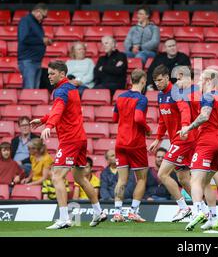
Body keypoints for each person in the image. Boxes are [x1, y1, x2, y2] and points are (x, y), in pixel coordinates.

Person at [30, 60, 106, 229]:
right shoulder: (71, 88)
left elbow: (57, 110)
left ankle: (64, 218)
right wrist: (43, 120)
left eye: (52, 73)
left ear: (62, 74)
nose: (49, 76)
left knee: (56, 176)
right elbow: (62, 110)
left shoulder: (61, 90)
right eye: (48, 73)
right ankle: (98, 211)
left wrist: (48, 126)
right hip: (80, 137)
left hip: (70, 139)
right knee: (80, 177)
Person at [172, 65, 218, 230]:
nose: (199, 82)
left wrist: (188, 128)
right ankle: (217, 213)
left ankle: (197, 212)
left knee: (195, 178)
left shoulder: (207, 96)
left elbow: (204, 116)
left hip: (207, 142)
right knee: (207, 180)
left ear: (209, 81)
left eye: (201, 79)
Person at [148, 64, 197, 222]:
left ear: (168, 78)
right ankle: (202, 209)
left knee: (162, 174)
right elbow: (163, 119)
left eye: (160, 80)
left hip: (183, 139)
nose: (158, 83)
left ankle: (184, 208)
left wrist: (184, 127)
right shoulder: (161, 95)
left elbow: (185, 110)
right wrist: (158, 138)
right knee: (183, 178)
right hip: (177, 140)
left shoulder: (176, 91)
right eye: (155, 81)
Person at [111, 69, 150, 223]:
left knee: (122, 180)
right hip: (136, 143)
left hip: (120, 142)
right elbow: (139, 118)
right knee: (141, 178)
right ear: (142, 80)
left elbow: (114, 118)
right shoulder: (142, 99)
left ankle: (117, 212)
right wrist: (147, 129)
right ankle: (133, 212)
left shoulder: (119, 97)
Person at [17, 3, 52, 89]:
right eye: (43, 16)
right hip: (29, 60)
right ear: (37, 12)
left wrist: (44, 40)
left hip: (36, 61)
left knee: (35, 90)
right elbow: (23, 38)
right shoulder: (26, 21)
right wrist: (42, 40)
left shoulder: (36, 23)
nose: (43, 19)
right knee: (30, 89)